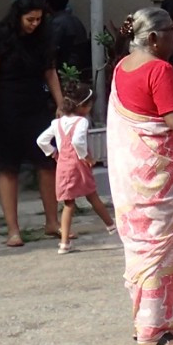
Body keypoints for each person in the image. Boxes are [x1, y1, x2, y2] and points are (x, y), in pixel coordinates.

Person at [106, 6, 173, 345]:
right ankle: (155, 330)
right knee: (161, 251)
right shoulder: (159, 70)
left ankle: (151, 323)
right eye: (171, 32)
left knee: (146, 249)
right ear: (153, 38)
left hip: (136, 178)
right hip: (161, 178)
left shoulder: (122, 67)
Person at [0, 0, 65, 248]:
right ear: (18, 17)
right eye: (30, 19)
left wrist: (61, 103)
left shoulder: (43, 39)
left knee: (47, 164)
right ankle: (13, 230)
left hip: (36, 107)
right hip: (6, 107)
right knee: (8, 168)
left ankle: (52, 222)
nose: (34, 24)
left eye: (39, 19)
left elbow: (50, 72)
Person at [36, 85, 114, 254]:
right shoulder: (82, 122)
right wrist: (86, 157)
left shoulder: (57, 123)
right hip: (79, 167)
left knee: (68, 204)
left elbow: (41, 140)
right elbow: (78, 142)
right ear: (83, 106)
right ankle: (111, 225)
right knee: (93, 196)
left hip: (63, 167)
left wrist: (53, 153)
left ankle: (64, 243)